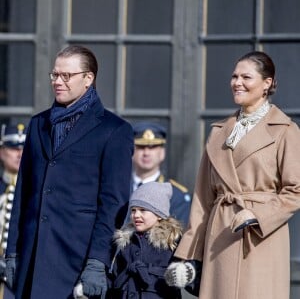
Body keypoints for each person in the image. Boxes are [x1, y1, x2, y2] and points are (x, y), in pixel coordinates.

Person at [165, 51, 300, 299]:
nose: (237, 82)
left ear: (266, 84)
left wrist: (258, 215)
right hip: (220, 237)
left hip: (261, 238)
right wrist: (187, 256)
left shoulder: (285, 131)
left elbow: (296, 191)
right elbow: (202, 200)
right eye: (234, 76)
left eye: (246, 77)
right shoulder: (219, 132)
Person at [4, 45, 134, 299]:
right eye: (55, 75)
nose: (58, 82)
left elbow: (113, 204)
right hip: (31, 257)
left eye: (66, 76)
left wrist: (98, 260)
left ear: (88, 78)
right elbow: (23, 193)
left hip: (77, 260)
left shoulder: (114, 130)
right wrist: (12, 251)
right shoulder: (38, 124)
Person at [107, 181, 183, 299]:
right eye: (133, 210)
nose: (136, 215)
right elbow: (115, 278)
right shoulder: (126, 242)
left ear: (159, 214)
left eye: (143, 210)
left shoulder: (170, 242)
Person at [132, 122, 191, 227]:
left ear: (162, 152)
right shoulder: (116, 189)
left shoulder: (176, 195)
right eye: (141, 147)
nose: (146, 153)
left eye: (152, 147)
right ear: (131, 151)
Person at [0, 123, 26, 299]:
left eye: (23, 148)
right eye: (13, 148)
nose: (19, 153)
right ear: (2, 151)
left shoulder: (34, 190)